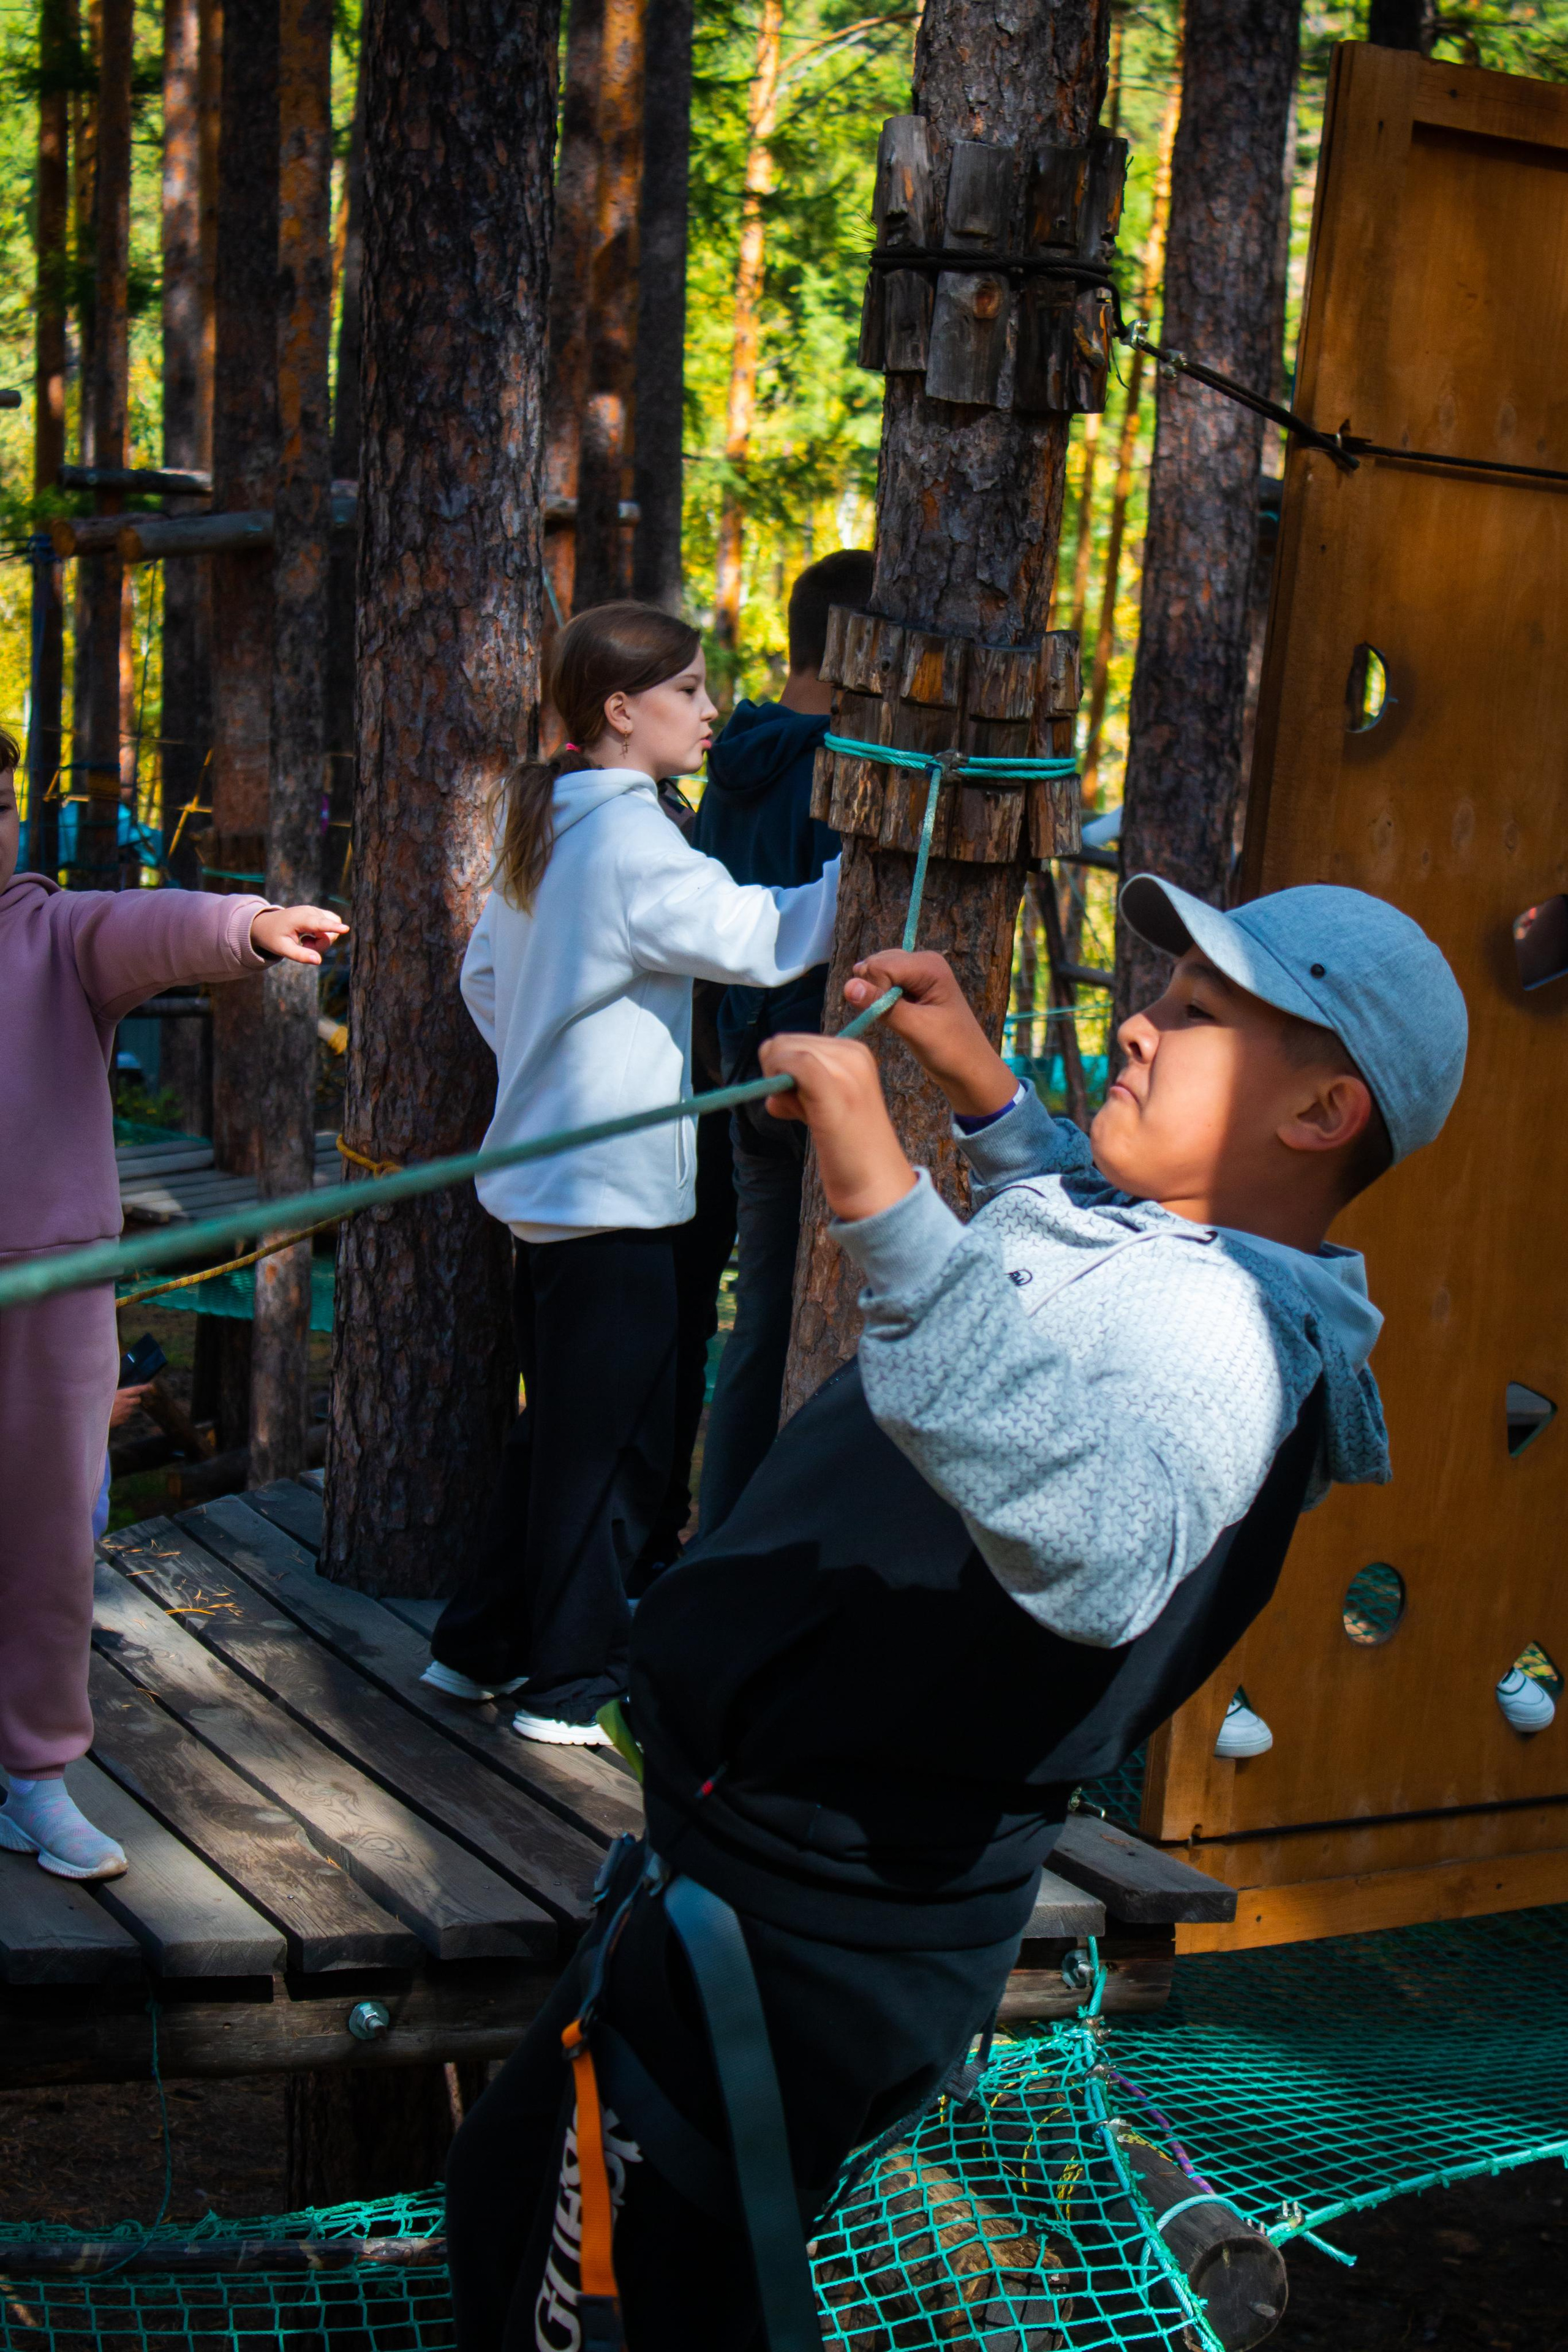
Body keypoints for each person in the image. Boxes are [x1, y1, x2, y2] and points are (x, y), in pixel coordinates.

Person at [444, 875, 1467, 2352]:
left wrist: (886, 1206)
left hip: (807, 1931)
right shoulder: (1188, 1254)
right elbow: (1091, 1241)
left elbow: (1103, 1546)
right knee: (532, 2200)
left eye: (1192, 1018)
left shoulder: (1223, 1333)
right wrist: (987, 1099)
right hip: (762, 1874)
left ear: (1316, 1116)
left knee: (610, 2293)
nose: (1134, 1023)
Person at [423, 603, 840, 1749]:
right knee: (617, 1446)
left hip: (551, 1176)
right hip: (606, 1191)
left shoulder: (548, 819)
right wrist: (874, 874)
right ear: (622, 710)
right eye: (692, 691)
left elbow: (482, 982)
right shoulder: (629, 838)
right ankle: (567, 1686)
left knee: (558, 1424)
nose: (711, 712)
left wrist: (551, 1059)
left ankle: (475, 1647)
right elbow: (757, 937)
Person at [0, 733, 347, 1882]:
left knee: (49, 1536)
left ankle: (33, 1776)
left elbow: (135, 925)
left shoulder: (46, 934)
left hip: (48, 1291)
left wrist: (245, 927)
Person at [693, 548, 872, 1533]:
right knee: (847, 1320)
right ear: (859, 647)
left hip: (740, 1063)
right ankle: (787, 1547)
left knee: (761, 1318)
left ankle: (722, 1535)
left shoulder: (737, 759)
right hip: (815, 1081)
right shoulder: (847, 768)